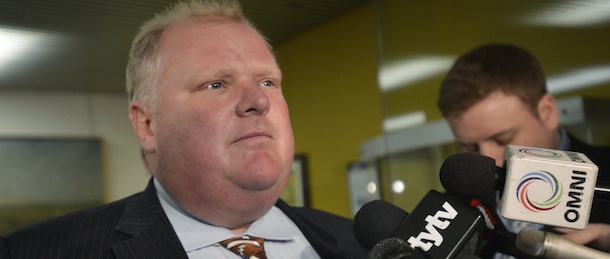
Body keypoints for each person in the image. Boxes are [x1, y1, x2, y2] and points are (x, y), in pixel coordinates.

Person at [0, 1, 366, 258]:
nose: (258, 101)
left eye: (268, 82)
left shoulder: (364, 243)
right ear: (146, 125)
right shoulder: (34, 251)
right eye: (216, 84)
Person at [438, 43, 610, 256]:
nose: (487, 157)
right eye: (470, 146)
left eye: (502, 139)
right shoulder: (449, 210)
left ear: (547, 113)